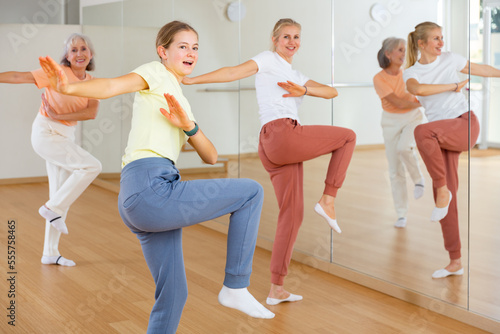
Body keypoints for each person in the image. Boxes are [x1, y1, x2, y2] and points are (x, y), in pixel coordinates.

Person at [39, 21, 275, 333]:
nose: (191, 52)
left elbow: (211, 156)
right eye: (182, 46)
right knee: (251, 192)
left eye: (195, 47)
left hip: (145, 198)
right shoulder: (155, 72)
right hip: (150, 188)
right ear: (163, 52)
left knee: (174, 293)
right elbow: (111, 86)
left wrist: (187, 124)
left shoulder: (180, 98)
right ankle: (235, 287)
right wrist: (68, 87)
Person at [183, 18, 356, 305]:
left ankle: (277, 288)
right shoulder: (266, 60)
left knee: (293, 214)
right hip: (282, 134)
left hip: (273, 145)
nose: (292, 42)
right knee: (348, 137)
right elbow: (232, 72)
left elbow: (331, 91)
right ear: (275, 40)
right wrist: (192, 79)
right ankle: (328, 199)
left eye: (296, 37)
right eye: (286, 36)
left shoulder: (296, 74)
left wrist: (304, 90)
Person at [404, 21, 500, 278]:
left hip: (464, 124)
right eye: (435, 39)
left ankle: (442, 189)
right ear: (421, 43)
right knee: (444, 196)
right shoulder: (411, 72)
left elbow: (482, 69)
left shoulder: (450, 59)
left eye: (441, 38)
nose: (441, 43)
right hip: (440, 135)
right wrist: (453, 86)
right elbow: (419, 90)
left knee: (421, 130)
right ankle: (455, 260)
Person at [0, 33, 102, 267]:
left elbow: (90, 113)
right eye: (73, 50)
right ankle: (51, 208)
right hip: (45, 133)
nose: (78, 53)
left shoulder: (93, 83)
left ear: (91, 54)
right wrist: (54, 117)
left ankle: (50, 252)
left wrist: (60, 115)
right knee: (92, 166)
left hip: (65, 135)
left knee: (59, 192)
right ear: (67, 55)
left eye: (83, 49)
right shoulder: (56, 72)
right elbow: (20, 76)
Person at [373, 37, 425, 228]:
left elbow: (419, 92)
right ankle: (401, 214)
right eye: (400, 50)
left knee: (405, 148)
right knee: (395, 170)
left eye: (405, 50)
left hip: (412, 117)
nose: (404, 54)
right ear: (388, 54)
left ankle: (419, 179)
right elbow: (398, 102)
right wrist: (423, 103)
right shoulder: (379, 79)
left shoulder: (408, 74)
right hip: (391, 122)